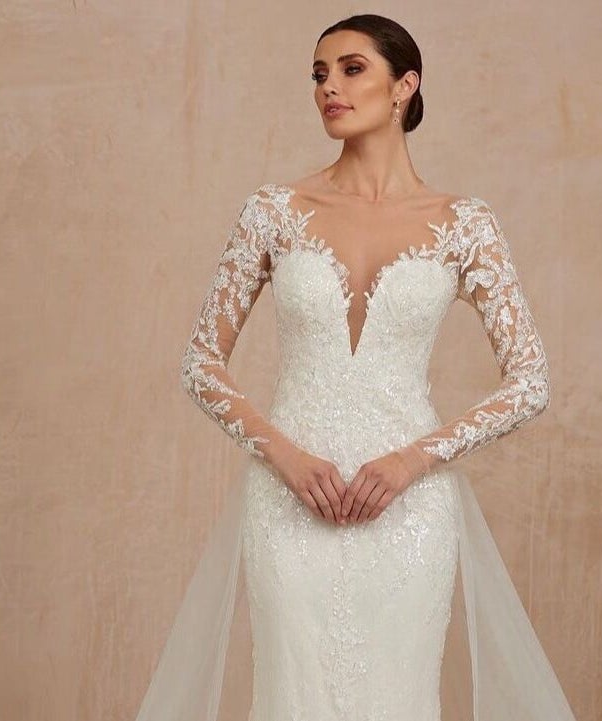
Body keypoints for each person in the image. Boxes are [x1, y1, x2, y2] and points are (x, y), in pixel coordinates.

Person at [134, 13, 578, 721]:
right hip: (289, 501)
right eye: (319, 74)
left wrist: (412, 460)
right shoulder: (272, 212)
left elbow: (529, 382)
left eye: (351, 69)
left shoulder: (464, 223)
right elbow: (201, 362)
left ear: (405, 85)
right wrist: (284, 455)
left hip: (409, 508)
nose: (328, 88)